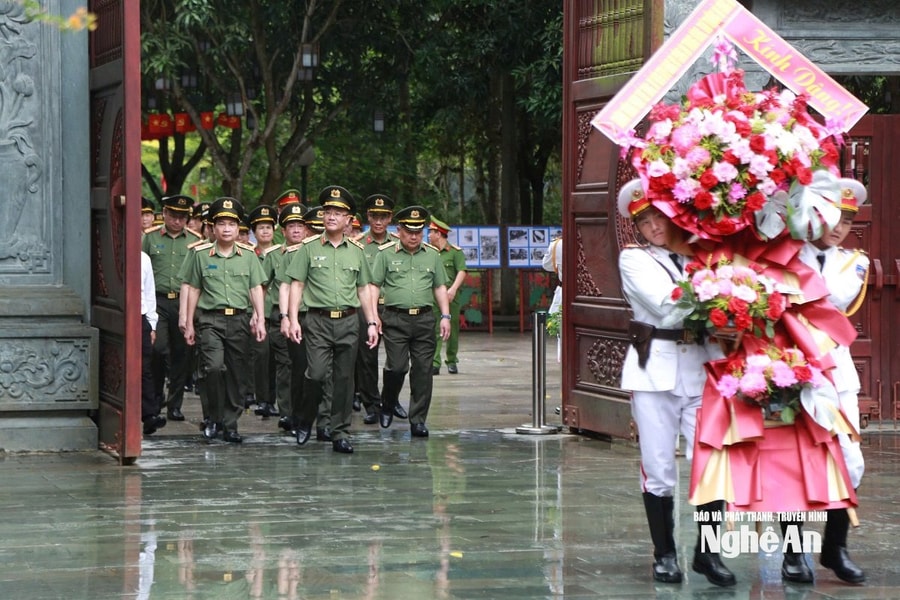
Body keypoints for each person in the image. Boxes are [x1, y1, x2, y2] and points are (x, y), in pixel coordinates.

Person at [616, 179, 735, 587]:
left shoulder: (702, 254)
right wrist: (720, 294)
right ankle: (665, 554)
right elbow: (668, 308)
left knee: (712, 464)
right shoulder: (634, 260)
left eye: (658, 217)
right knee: (659, 467)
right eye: (644, 221)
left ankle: (708, 553)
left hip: (703, 368)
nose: (653, 227)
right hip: (655, 371)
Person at [797, 178, 869, 584]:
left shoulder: (852, 262)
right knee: (789, 463)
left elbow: (830, 298)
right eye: (831, 216)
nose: (839, 226)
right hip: (791, 368)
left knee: (851, 462)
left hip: (836, 373)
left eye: (846, 218)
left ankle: (834, 547)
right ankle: (792, 552)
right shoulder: (787, 254)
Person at [283, 186, 379, 453]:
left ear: (349, 219)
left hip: (349, 321)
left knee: (344, 380)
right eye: (328, 212)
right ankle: (304, 418)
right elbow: (297, 285)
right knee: (315, 374)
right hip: (317, 321)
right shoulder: (309, 248)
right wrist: (292, 319)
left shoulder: (357, 251)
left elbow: (364, 289)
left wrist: (371, 322)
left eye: (338, 212)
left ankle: (339, 432)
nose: (331, 216)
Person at [181, 197, 267, 444]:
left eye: (231, 223)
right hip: (210, 321)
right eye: (221, 223)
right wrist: (187, 321)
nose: (227, 228)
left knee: (237, 374)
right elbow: (193, 288)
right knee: (213, 368)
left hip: (239, 320)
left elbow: (255, 288)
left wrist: (259, 318)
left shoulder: (248, 256)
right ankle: (213, 418)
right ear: (212, 227)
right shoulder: (200, 254)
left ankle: (230, 423)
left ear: (238, 227)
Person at [372, 206, 451, 436]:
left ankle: (418, 420)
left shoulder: (432, 254)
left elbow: (439, 286)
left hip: (425, 319)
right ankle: (388, 401)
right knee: (396, 367)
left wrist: (445, 316)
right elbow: (374, 285)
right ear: (399, 230)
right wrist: (374, 316)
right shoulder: (385, 254)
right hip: (395, 318)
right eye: (409, 231)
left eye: (419, 231)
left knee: (423, 371)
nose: (414, 236)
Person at [141, 194, 203, 423]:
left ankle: (175, 404)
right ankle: (156, 399)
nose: (177, 221)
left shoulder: (196, 240)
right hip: (156, 301)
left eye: (182, 217)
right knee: (157, 350)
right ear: (164, 214)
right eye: (173, 216)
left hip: (184, 302)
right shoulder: (149, 238)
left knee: (182, 353)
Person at [353, 194, 399, 424]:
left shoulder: (399, 243)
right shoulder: (358, 244)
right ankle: (371, 404)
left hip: (392, 308)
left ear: (390, 218)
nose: (378, 221)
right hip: (366, 309)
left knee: (396, 358)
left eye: (383, 216)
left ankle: (392, 400)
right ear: (367, 217)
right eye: (374, 216)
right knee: (367, 358)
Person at [269, 202, 308, 434]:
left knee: (308, 368)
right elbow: (260, 286)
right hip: (280, 316)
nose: (295, 230)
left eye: (300, 225)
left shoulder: (314, 251)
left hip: (309, 317)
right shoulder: (274, 255)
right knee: (286, 366)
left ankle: (306, 413)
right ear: (282, 231)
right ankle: (287, 413)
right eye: (291, 226)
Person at [247, 204, 280, 419]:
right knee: (260, 356)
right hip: (258, 314)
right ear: (254, 232)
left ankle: (273, 399)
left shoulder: (283, 252)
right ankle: (262, 399)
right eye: (261, 228)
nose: (265, 231)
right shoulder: (248, 254)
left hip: (277, 313)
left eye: (269, 227)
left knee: (277, 359)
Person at [428, 217, 466, 374]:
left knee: (453, 329)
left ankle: (451, 360)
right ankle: (435, 362)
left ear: (438, 234)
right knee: (434, 329)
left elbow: (462, 271)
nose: (428, 235)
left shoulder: (455, 252)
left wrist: (454, 289)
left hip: (451, 297)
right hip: (432, 296)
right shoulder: (429, 252)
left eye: (431, 232)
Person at [141, 250, 166, 435]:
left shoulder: (143, 258)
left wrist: (152, 323)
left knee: (144, 367)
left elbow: (149, 293)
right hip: (117, 314)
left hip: (141, 317)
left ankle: (149, 415)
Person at [541, 232, 563, 362]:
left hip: (564, 289)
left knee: (561, 329)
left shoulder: (557, 244)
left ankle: (563, 360)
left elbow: (546, 265)